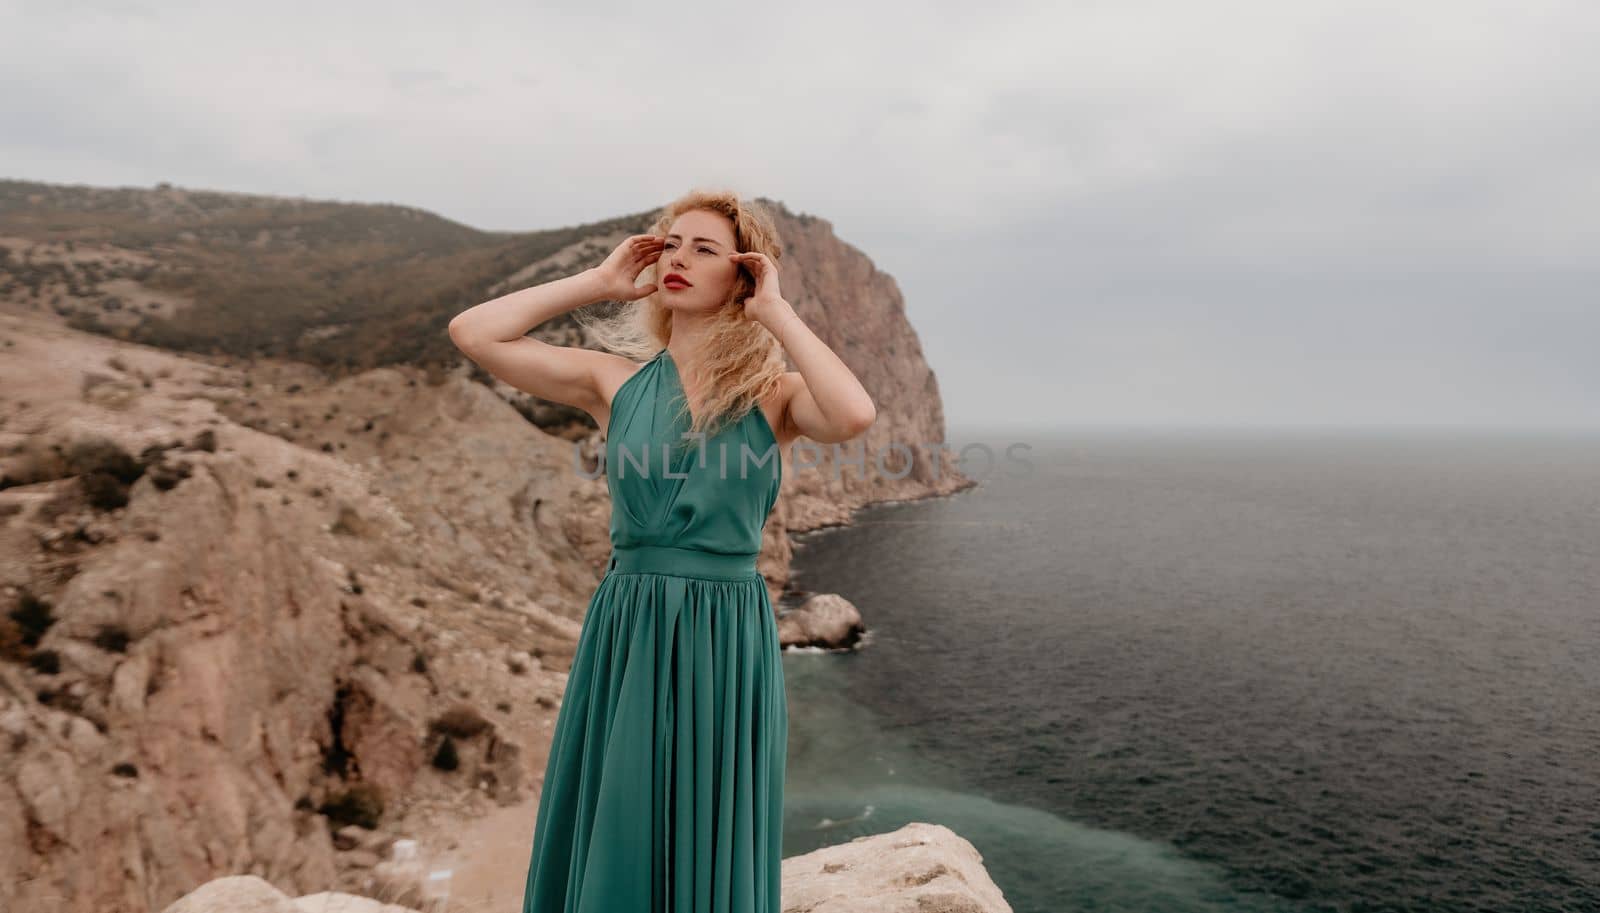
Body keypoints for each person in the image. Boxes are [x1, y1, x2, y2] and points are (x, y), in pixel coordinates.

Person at [447, 188, 876, 912]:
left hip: (727, 631)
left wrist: (776, 312)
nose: (678, 258)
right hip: (630, 622)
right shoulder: (611, 381)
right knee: (624, 806)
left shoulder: (774, 396)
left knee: (708, 809)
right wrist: (598, 282)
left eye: (704, 250)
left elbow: (854, 413)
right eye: (670, 243)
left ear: (743, 275)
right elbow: (473, 332)